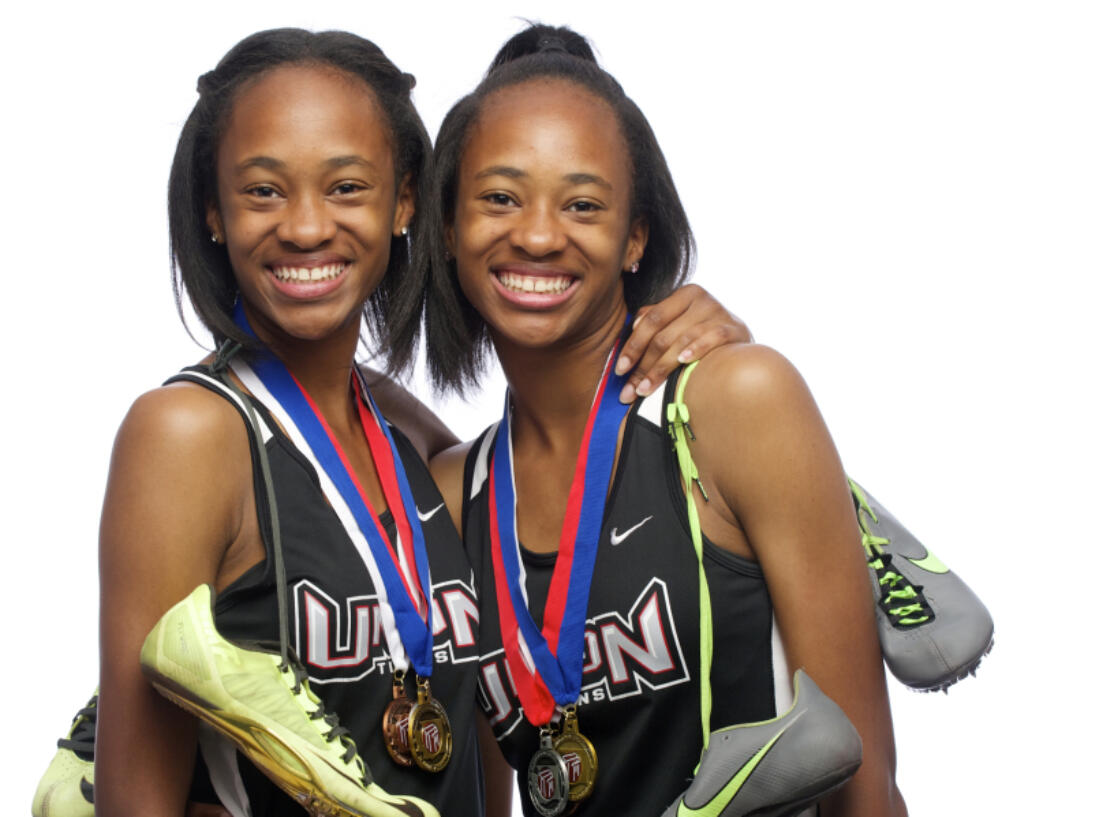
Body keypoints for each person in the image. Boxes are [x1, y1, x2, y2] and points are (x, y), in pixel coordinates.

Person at [89, 27, 751, 817]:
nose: (305, 227)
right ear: (213, 211)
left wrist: (696, 355)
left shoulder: (416, 450)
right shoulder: (187, 434)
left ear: (405, 201)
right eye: (263, 190)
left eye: (346, 187)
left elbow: (555, 452)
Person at [425, 25, 907, 817]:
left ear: (634, 235)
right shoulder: (448, 497)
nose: (539, 235)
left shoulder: (735, 404)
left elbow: (867, 790)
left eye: (582, 204)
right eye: (500, 198)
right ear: (448, 228)